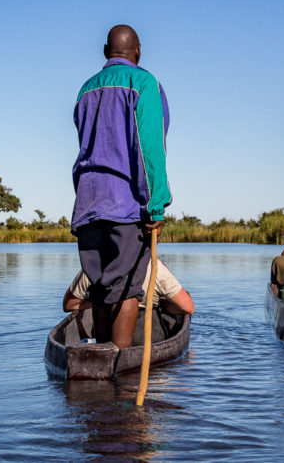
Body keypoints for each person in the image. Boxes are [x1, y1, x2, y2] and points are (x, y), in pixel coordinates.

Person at [71, 24, 172, 349]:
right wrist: (155, 205)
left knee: (100, 286)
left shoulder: (85, 89)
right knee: (128, 286)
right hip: (126, 204)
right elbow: (149, 148)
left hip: (88, 202)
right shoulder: (144, 83)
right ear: (138, 53)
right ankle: (119, 363)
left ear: (105, 52)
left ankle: (100, 358)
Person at [63, 259, 195, 316]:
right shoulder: (156, 268)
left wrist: (99, 301)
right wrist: (161, 304)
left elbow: (70, 305)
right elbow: (188, 308)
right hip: (143, 328)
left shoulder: (92, 266)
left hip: (107, 323)